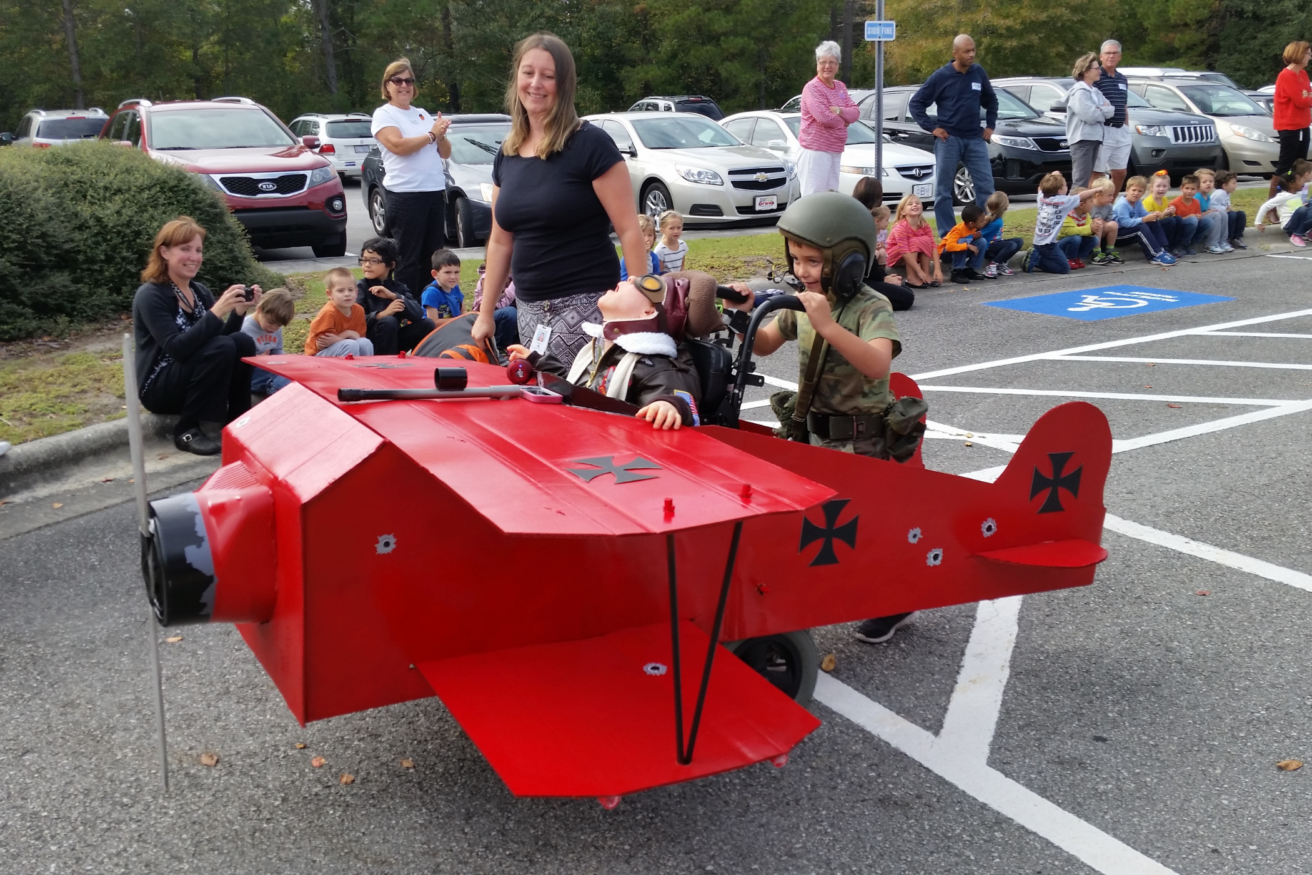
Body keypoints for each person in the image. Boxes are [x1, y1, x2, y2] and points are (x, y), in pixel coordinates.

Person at [720, 193, 918, 646]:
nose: (803, 269)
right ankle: (791, 603)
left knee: (859, 532)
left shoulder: (872, 307)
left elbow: (877, 364)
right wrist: (742, 314)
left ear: (849, 261)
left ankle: (897, 596)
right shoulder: (806, 301)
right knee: (800, 526)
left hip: (859, 441)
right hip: (811, 435)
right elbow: (767, 342)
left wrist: (829, 326)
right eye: (796, 258)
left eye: (814, 260)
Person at [473, 33, 648, 363]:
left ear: (564, 84)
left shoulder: (591, 144)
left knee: (580, 406)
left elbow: (629, 229)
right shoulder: (507, 154)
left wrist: (640, 309)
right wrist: (485, 314)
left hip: (587, 310)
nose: (535, 83)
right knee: (542, 405)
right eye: (528, 73)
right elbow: (500, 241)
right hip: (528, 311)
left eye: (548, 76)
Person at [508, 276, 716, 429]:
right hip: (586, 436)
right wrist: (538, 362)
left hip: (621, 453)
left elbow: (679, 395)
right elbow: (582, 394)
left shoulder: (659, 365)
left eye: (646, 284)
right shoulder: (600, 350)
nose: (632, 277)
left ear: (649, 312)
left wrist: (669, 404)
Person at [133, 216, 259, 456]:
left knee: (242, 341)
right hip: (160, 386)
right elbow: (176, 348)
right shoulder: (150, 295)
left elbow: (222, 343)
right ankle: (186, 429)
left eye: (198, 250)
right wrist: (217, 311)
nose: (194, 257)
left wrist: (238, 312)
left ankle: (239, 421)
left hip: (194, 379)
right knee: (223, 345)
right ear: (165, 252)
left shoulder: (199, 291)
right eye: (185, 249)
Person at [370, 58, 452, 299]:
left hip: (433, 192)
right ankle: (406, 309)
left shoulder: (422, 114)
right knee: (408, 258)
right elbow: (397, 145)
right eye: (398, 80)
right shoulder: (384, 115)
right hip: (406, 195)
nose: (404, 85)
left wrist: (441, 134)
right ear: (387, 86)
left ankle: (430, 307)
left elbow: (445, 152)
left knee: (433, 257)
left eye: (409, 80)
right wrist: (430, 134)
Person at [910, 34, 998, 234]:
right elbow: (916, 104)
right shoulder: (941, 76)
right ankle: (949, 235)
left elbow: (991, 100)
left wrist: (990, 126)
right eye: (966, 51)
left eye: (973, 50)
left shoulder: (978, 72)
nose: (971, 54)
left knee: (986, 188)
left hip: (975, 138)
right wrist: (932, 128)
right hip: (949, 140)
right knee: (943, 191)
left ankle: (988, 233)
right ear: (955, 53)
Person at [798, 40, 861, 196]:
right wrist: (845, 120)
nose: (827, 66)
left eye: (832, 62)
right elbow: (824, 118)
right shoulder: (812, 88)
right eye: (823, 62)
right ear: (817, 64)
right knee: (814, 197)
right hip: (815, 150)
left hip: (835, 149)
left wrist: (838, 110)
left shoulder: (840, 86)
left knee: (830, 196)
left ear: (838, 65)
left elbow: (855, 113)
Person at [356, 236, 436, 354]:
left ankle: (420, 360)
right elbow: (355, 320)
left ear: (391, 265)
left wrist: (393, 296)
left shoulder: (399, 288)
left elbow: (418, 314)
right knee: (389, 321)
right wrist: (381, 315)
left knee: (427, 324)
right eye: (364, 260)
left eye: (373, 261)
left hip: (394, 339)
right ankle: (388, 365)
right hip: (370, 341)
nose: (367, 265)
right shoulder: (360, 287)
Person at [1023, 172, 1099, 274]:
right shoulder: (1064, 202)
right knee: (1064, 268)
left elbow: (1040, 188)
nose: (1066, 187)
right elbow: (1081, 196)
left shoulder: (1042, 198)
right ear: (1060, 191)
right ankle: (1037, 260)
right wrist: (1097, 189)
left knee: (1061, 263)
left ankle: (1037, 255)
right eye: (1065, 185)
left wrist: (1051, 177)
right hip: (1048, 244)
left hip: (1039, 241)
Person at [1268, 41, 1312, 200]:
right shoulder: (1286, 75)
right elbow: (1301, 100)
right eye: (1308, 53)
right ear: (1299, 54)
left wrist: (1306, 96)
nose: (1310, 56)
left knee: (1299, 165)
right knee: (1285, 165)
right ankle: (1273, 203)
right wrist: (1306, 97)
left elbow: (1307, 95)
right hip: (1289, 125)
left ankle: (1295, 199)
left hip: (1303, 125)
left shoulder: (1303, 74)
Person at [1067, 53, 1113, 188]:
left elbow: (1111, 110)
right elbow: (1089, 115)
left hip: (1095, 138)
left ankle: (1082, 208)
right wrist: (1101, 109)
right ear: (1086, 71)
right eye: (1096, 68)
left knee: (1087, 180)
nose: (1100, 71)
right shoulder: (1080, 92)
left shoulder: (1095, 91)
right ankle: (1073, 208)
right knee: (1081, 181)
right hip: (1082, 140)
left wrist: (1099, 109)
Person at [1091, 40, 1131, 194]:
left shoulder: (1122, 79)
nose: (1111, 56)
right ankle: (1093, 209)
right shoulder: (1096, 76)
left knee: (1120, 172)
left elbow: (1124, 105)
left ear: (1120, 56)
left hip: (1121, 130)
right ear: (1101, 56)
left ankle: (1109, 207)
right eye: (1108, 53)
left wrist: (1127, 126)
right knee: (1098, 173)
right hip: (1104, 129)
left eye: (1114, 53)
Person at [306, 267, 375, 357]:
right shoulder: (328, 313)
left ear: (356, 292)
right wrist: (348, 334)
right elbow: (321, 344)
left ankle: (364, 369)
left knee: (365, 343)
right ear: (330, 294)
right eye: (340, 290)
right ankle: (345, 371)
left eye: (350, 290)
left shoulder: (359, 310)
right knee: (350, 345)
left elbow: (359, 336)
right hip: (318, 356)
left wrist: (339, 338)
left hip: (342, 347)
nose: (347, 294)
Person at [243, 288, 296, 397]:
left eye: (279, 325)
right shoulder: (245, 328)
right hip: (252, 374)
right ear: (259, 310)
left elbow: (277, 349)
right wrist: (257, 358)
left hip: (269, 366)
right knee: (285, 382)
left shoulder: (275, 328)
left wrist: (283, 360)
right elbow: (236, 361)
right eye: (271, 322)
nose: (274, 328)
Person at [1112, 175, 1175, 265]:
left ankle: (1162, 249)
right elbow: (1125, 223)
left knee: (1153, 221)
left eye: (1140, 191)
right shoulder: (1122, 204)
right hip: (1118, 235)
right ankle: (1155, 255)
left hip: (1129, 230)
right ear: (1127, 190)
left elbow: (1145, 215)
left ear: (1143, 193)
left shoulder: (1138, 202)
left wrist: (1153, 215)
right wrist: (1144, 219)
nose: (1136, 193)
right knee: (1141, 228)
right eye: (1133, 190)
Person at [862, 205, 915, 311]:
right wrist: (884, 279)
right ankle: (864, 306)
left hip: (869, 276)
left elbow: (872, 265)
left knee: (906, 290)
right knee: (906, 298)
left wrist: (887, 277)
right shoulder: (863, 232)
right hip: (859, 280)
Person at [885, 193, 941, 288]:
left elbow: (933, 245)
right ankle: (912, 278)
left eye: (917, 203)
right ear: (902, 211)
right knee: (914, 241)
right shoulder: (901, 227)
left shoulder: (924, 225)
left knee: (926, 240)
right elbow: (904, 251)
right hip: (895, 256)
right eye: (910, 204)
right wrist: (919, 271)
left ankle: (926, 274)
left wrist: (937, 268)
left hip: (913, 254)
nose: (915, 205)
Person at [1255, 160, 1312, 244]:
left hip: (1299, 221)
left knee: (1306, 206)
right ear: (1292, 185)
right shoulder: (1283, 196)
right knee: (1302, 209)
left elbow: (1296, 207)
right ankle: (1296, 235)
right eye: (1299, 181)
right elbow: (1265, 206)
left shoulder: (1297, 194)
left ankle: (1308, 232)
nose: (1302, 184)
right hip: (1289, 225)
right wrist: (1258, 222)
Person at [938, 204, 992, 284]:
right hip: (946, 254)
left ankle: (969, 269)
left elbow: (968, 239)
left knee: (982, 241)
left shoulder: (973, 228)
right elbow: (949, 247)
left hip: (958, 251)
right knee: (962, 241)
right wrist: (967, 245)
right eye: (981, 221)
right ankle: (956, 272)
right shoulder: (958, 230)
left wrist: (974, 238)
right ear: (971, 223)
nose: (984, 222)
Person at [472, 263, 520, 352]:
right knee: (510, 312)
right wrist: (515, 284)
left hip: (505, 321)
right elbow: (499, 305)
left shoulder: (511, 276)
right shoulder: (487, 277)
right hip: (485, 318)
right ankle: (500, 349)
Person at [1167, 174, 1213, 257]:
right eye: (1187, 188)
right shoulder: (1174, 203)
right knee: (1192, 220)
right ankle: (1182, 244)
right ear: (1181, 188)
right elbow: (1175, 221)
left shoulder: (1196, 202)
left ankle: (1192, 243)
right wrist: (1190, 217)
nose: (1189, 191)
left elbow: (1198, 215)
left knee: (1208, 221)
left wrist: (1199, 217)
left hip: (1192, 227)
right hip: (1181, 229)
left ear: (1197, 190)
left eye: (1193, 189)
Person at [1141, 171, 1186, 254]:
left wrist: (1171, 212)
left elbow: (1167, 216)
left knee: (1178, 219)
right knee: (1171, 221)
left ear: (1168, 187)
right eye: (1158, 186)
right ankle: (1165, 247)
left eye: (1164, 186)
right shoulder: (1149, 201)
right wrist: (1164, 214)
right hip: (1153, 228)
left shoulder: (1164, 199)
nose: (1161, 189)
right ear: (1151, 187)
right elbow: (1149, 220)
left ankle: (1174, 246)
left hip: (1163, 224)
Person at [979, 191, 1023, 275]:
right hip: (988, 248)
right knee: (1011, 245)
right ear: (1005, 207)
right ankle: (993, 265)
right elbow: (980, 234)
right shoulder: (996, 222)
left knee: (1018, 241)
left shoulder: (995, 218)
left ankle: (1000, 263)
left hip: (996, 244)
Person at [1057, 190, 1099, 269]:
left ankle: (1077, 258)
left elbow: (1087, 231)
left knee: (1094, 239)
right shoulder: (1068, 215)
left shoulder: (1085, 214)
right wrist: (1089, 228)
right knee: (1075, 238)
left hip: (1074, 240)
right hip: (1060, 244)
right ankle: (1068, 258)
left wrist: (1093, 229)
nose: (1093, 204)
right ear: (1081, 205)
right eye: (1091, 201)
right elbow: (1070, 232)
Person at [421, 249, 464, 325]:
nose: (453, 277)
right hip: (436, 333)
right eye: (447, 272)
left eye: (456, 272)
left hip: (455, 327)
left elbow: (463, 310)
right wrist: (459, 321)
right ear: (435, 274)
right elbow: (433, 322)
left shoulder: (455, 287)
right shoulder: (431, 293)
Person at [1085, 178, 1122, 264]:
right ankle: (1096, 253)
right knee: (1098, 223)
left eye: (1112, 195)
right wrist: (1093, 221)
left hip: (1101, 228)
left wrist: (1104, 222)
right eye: (1109, 195)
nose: (1112, 198)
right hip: (1089, 230)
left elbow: (1109, 220)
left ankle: (1109, 251)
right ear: (1098, 195)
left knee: (1113, 224)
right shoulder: (1090, 205)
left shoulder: (1108, 206)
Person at [1194, 168, 1230, 253]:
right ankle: (1211, 244)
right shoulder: (1197, 196)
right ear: (1197, 184)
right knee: (1216, 215)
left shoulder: (1208, 196)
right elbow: (1196, 214)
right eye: (1204, 182)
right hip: (1198, 220)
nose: (1208, 184)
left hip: (1204, 217)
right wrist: (1207, 212)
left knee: (1222, 213)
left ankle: (1222, 241)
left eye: (1211, 181)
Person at [1211, 170, 1248, 250]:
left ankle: (1236, 237)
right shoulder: (1219, 193)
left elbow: (1227, 203)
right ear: (1224, 185)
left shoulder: (1227, 193)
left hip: (1224, 214)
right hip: (1219, 217)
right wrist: (1224, 210)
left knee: (1241, 214)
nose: (1236, 185)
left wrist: (1229, 207)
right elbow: (1212, 205)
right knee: (1232, 215)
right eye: (1233, 183)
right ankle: (1226, 239)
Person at [619, 214, 662, 279]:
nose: (647, 239)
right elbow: (623, 279)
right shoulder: (627, 259)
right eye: (643, 235)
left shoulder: (654, 258)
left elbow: (657, 278)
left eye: (650, 235)